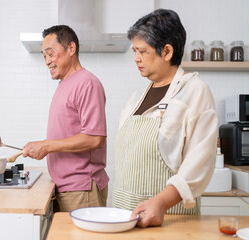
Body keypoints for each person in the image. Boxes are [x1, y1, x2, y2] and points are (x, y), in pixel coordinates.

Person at [112, 9, 218, 227]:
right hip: (125, 217)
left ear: (167, 51)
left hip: (169, 221)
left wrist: (160, 203)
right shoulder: (135, 100)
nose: (136, 58)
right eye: (134, 51)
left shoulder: (194, 92)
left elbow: (200, 161)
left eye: (142, 51)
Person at [22, 25, 109, 212]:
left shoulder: (87, 83)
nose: (47, 61)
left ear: (71, 48)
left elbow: (95, 138)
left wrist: (46, 146)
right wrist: (42, 145)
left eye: (50, 54)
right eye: (44, 56)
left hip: (81, 189)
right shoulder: (65, 84)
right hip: (66, 187)